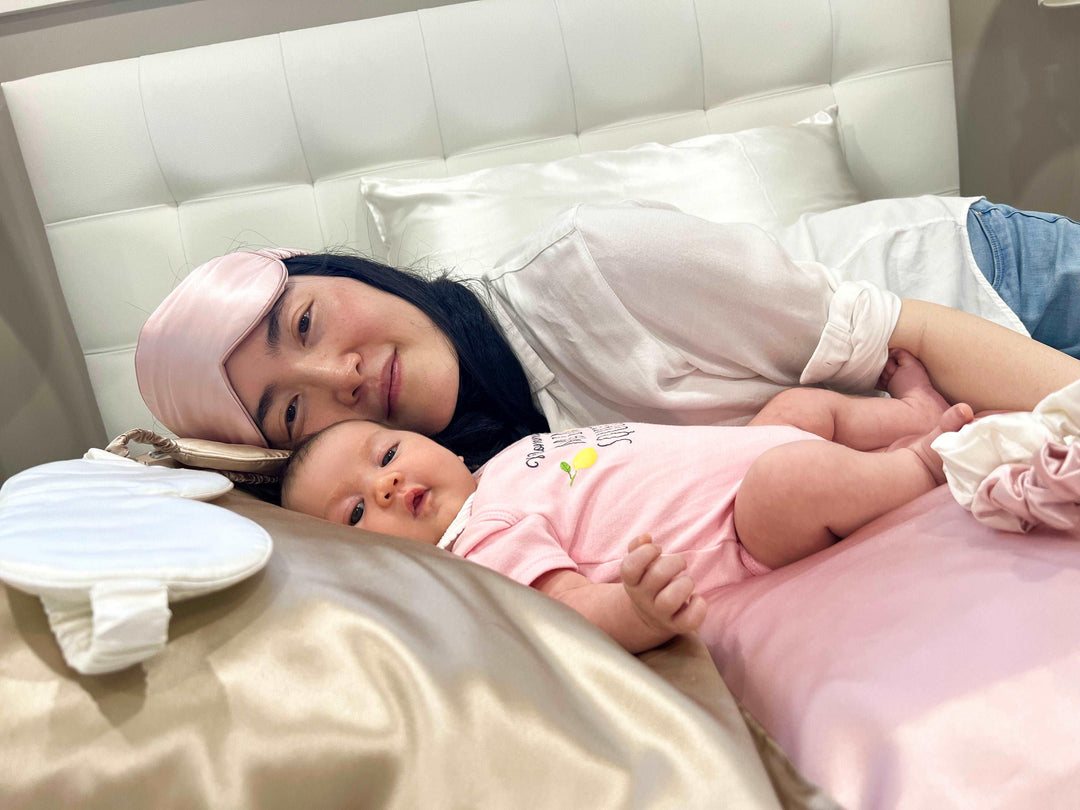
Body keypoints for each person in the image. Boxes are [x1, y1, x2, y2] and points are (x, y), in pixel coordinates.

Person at [135, 199, 1080, 470]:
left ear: (343, 272)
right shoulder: (475, 482)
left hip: (981, 290)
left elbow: (904, 329)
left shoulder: (596, 264)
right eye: (292, 411)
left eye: (306, 320)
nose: (338, 374)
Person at [278, 350, 972, 654]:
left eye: (388, 454)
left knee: (795, 409)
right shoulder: (478, 541)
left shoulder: (503, 465)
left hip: (747, 451)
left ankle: (910, 414)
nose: (387, 486)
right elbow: (571, 609)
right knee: (789, 482)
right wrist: (637, 612)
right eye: (359, 513)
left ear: (441, 447)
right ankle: (919, 463)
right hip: (741, 526)